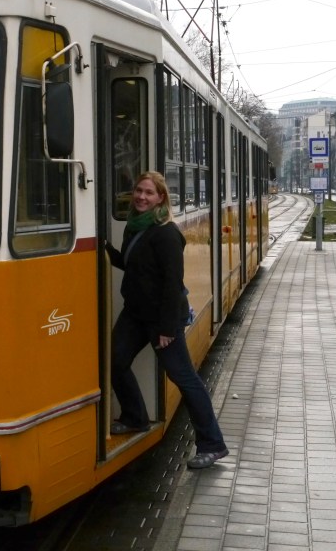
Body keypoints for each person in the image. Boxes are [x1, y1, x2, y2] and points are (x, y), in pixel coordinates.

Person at [105, 171, 229, 469]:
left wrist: (167, 328)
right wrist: (104, 247)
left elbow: (173, 284)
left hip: (162, 318)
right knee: (115, 361)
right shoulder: (135, 226)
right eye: (139, 191)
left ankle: (212, 444)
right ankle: (135, 417)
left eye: (149, 193)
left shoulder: (166, 234)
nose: (141, 197)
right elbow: (131, 265)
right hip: (136, 314)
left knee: (184, 378)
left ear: (161, 198)